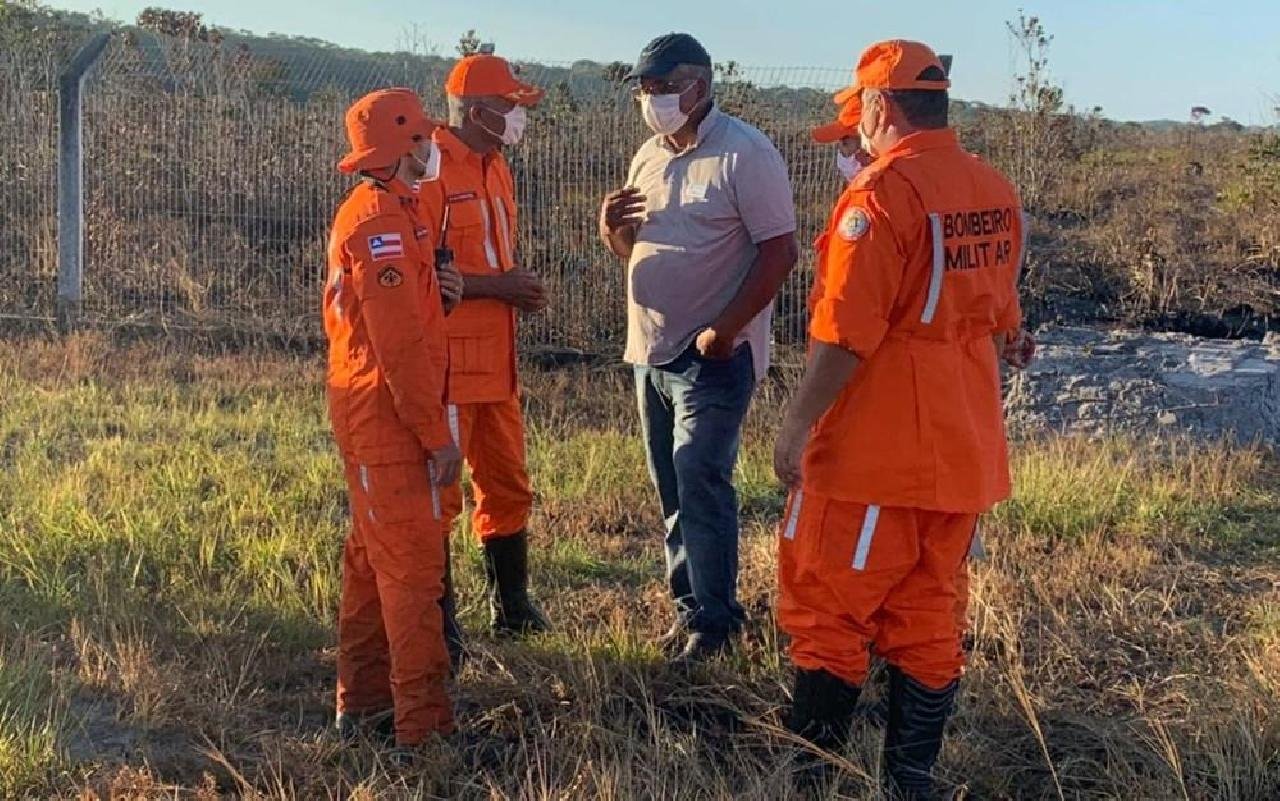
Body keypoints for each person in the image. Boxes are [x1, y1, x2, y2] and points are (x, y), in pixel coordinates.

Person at [773, 40, 1031, 798]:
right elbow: (1006, 319)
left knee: (827, 607)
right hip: (965, 447)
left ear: (882, 107)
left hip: (874, 452)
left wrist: (796, 427)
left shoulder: (882, 196)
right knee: (928, 611)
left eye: (860, 121)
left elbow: (846, 334)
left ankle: (814, 775)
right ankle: (909, 779)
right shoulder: (994, 188)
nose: (855, 139)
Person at [599, 32, 799, 663]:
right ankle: (691, 612)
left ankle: (715, 625)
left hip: (712, 356)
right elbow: (637, 252)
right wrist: (613, 232)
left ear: (700, 85)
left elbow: (779, 252)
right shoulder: (648, 157)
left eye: (663, 87)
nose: (652, 98)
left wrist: (726, 329)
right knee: (672, 490)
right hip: (649, 353)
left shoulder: (746, 153)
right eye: (644, 89)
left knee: (700, 481)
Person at [325, 88, 463, 762]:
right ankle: (424, 731)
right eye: (423, 137)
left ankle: (368, 702)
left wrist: (444, 290)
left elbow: (413, 316)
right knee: (411, 573)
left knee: (370, 560)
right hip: (388, 419)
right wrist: (434, 435)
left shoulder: (399, 213)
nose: (432, 146)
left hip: (384, 414)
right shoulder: (377, 219)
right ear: (400, 145)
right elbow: (399, 344)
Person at [420, 49, 552, 650]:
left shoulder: (496, 166)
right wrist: (499, 287)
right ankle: (439, 625)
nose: (518, 114)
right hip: (449, 367)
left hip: (498, 365)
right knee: (441, 498)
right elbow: (426, 273)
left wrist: (511, 290)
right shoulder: (431, 169)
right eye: (509, 105)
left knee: (508, 487)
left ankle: (513, 609)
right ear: (477, 110)